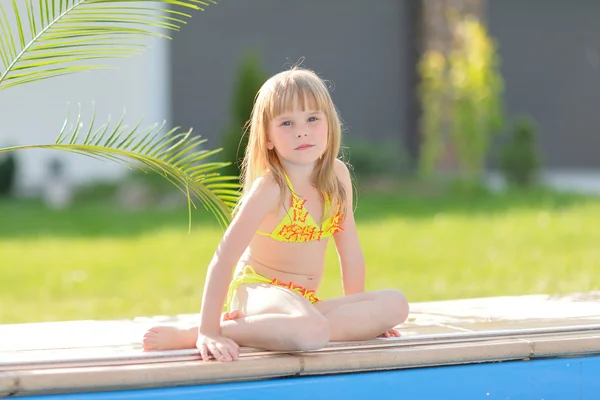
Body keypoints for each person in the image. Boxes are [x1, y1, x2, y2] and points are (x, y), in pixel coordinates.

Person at [142, 66, 409, 362]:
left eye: (312, 118)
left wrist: (360, 319)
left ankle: (285, 330)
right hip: (259, 293)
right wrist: (208, 330)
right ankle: (209, 331)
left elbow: (351, 252)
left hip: (302, 305)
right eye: (286, 123)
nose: (302, 130)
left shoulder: (338, 175)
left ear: (329, 125)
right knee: (311, 331)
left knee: (396, 305)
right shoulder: (271, 186)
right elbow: (224, 258)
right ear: (267, 137)